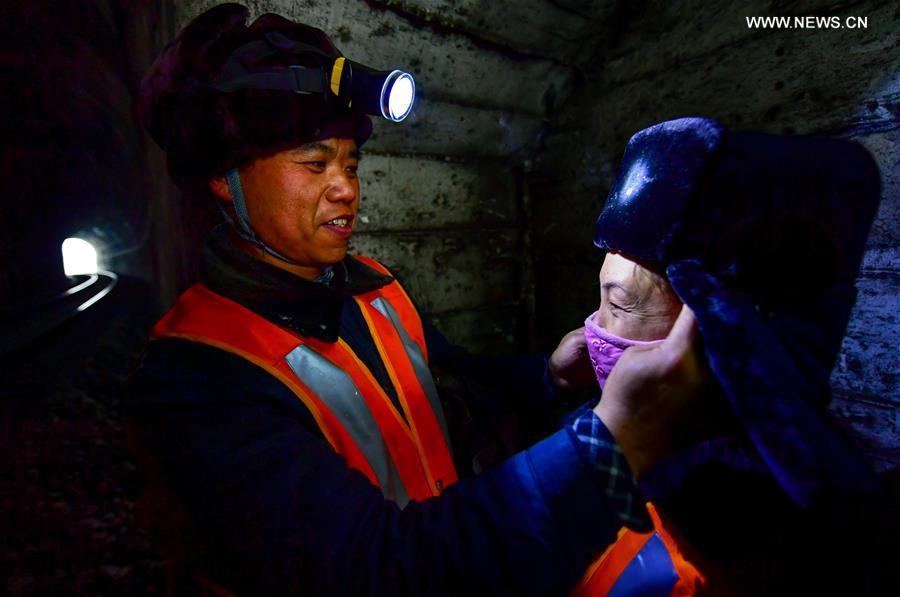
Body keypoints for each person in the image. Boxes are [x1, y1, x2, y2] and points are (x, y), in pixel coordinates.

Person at [126, 5, 705, 595]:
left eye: (352, 162)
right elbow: (371, 568)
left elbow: (454, 385)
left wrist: (548, 377)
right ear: (226, 178)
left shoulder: (374, 288)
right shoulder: (196, 376)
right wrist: (611, 444)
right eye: (314, 162)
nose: (346, 187)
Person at [549, 117, 893, 595]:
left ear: (713, 331)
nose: (592, 329)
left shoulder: (743, 560)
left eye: (618, 304)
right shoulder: (642, 457)